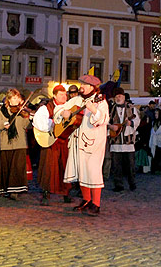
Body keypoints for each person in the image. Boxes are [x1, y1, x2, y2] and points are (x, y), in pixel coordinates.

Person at [54, 74, 108, 216]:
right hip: (77, 141)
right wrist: (63, 112)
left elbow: (103, 119)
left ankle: (96, 204)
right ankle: (86, 200)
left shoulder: (100, 101)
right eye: (81, 84)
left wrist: (94, 110)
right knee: (82, 170)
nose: (81, 87)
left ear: (92, 87)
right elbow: (59, 109)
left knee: (93, 171)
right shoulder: (77, 99)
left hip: (93, 143)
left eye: (84, 84)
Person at [33, 84, 71, 205]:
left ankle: (66, 192)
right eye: (61, 94)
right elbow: (39, 123)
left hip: (65, 142)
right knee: (49, 168)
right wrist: (54, 123)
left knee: (65, 167)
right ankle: (46, 193)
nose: (64, 97)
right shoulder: (46, 108)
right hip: (51, 142)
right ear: (54, 95)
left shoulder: (69, 107)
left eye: (65, 94)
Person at [0, 88, 31, 199]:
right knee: (6, 167)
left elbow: (26, 126)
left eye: (17, 98)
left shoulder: (22, 111)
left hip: (20, 143)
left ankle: (15, 190)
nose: (16, 100)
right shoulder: (0, 111)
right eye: (14, 98)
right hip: (6, 143)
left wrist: (30, 118)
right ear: (8, 99)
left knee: (18, 167)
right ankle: (5, 188)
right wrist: (3, 124)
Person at [108, 87, 140, 192]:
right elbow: (106, 122)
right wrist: (111, 127)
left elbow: (137, 120)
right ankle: (118, 185)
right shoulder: (111, 109)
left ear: (124, 97)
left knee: (130, 165)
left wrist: (131, 123)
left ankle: (132, 183)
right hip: (115, 142)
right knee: (116, 166)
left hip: (128, 142)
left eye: (120, 96)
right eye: (116, 96)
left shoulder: (131, 108)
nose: (118, 98)